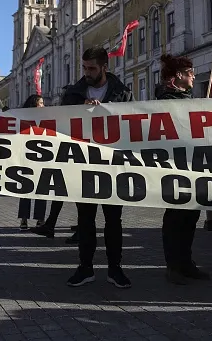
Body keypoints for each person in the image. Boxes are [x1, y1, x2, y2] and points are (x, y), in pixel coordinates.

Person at [61, 46, 132, 289]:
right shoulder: (73, 94)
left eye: (92, 68)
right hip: (84, 165)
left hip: (113, 166)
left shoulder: (122, 93)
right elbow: (61, 124)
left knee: (114, 220)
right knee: (85, 220)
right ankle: (85, 267)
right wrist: (81, 106)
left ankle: (115, 268)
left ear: (104, 67)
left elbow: (131, 127)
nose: (87, 72)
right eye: (84, 68)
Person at [156, 54, 210, 285]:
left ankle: (186, 263)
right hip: (173, 166)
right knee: (175, 218)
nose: (194, 76)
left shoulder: (188, 98)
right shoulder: (165, 100)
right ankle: (173, 267)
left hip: (193, 166)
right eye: (190, 73)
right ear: (179, 76)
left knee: (190, 217)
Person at [17, 94, 47, 230]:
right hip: (27, 158)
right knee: (26, 189)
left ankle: (40, 219)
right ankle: (24, 219)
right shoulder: (23, 119)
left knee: (42, 189)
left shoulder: (47, 118)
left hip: (44, 158)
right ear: (34, 105)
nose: (43, 106)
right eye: (40, 103)